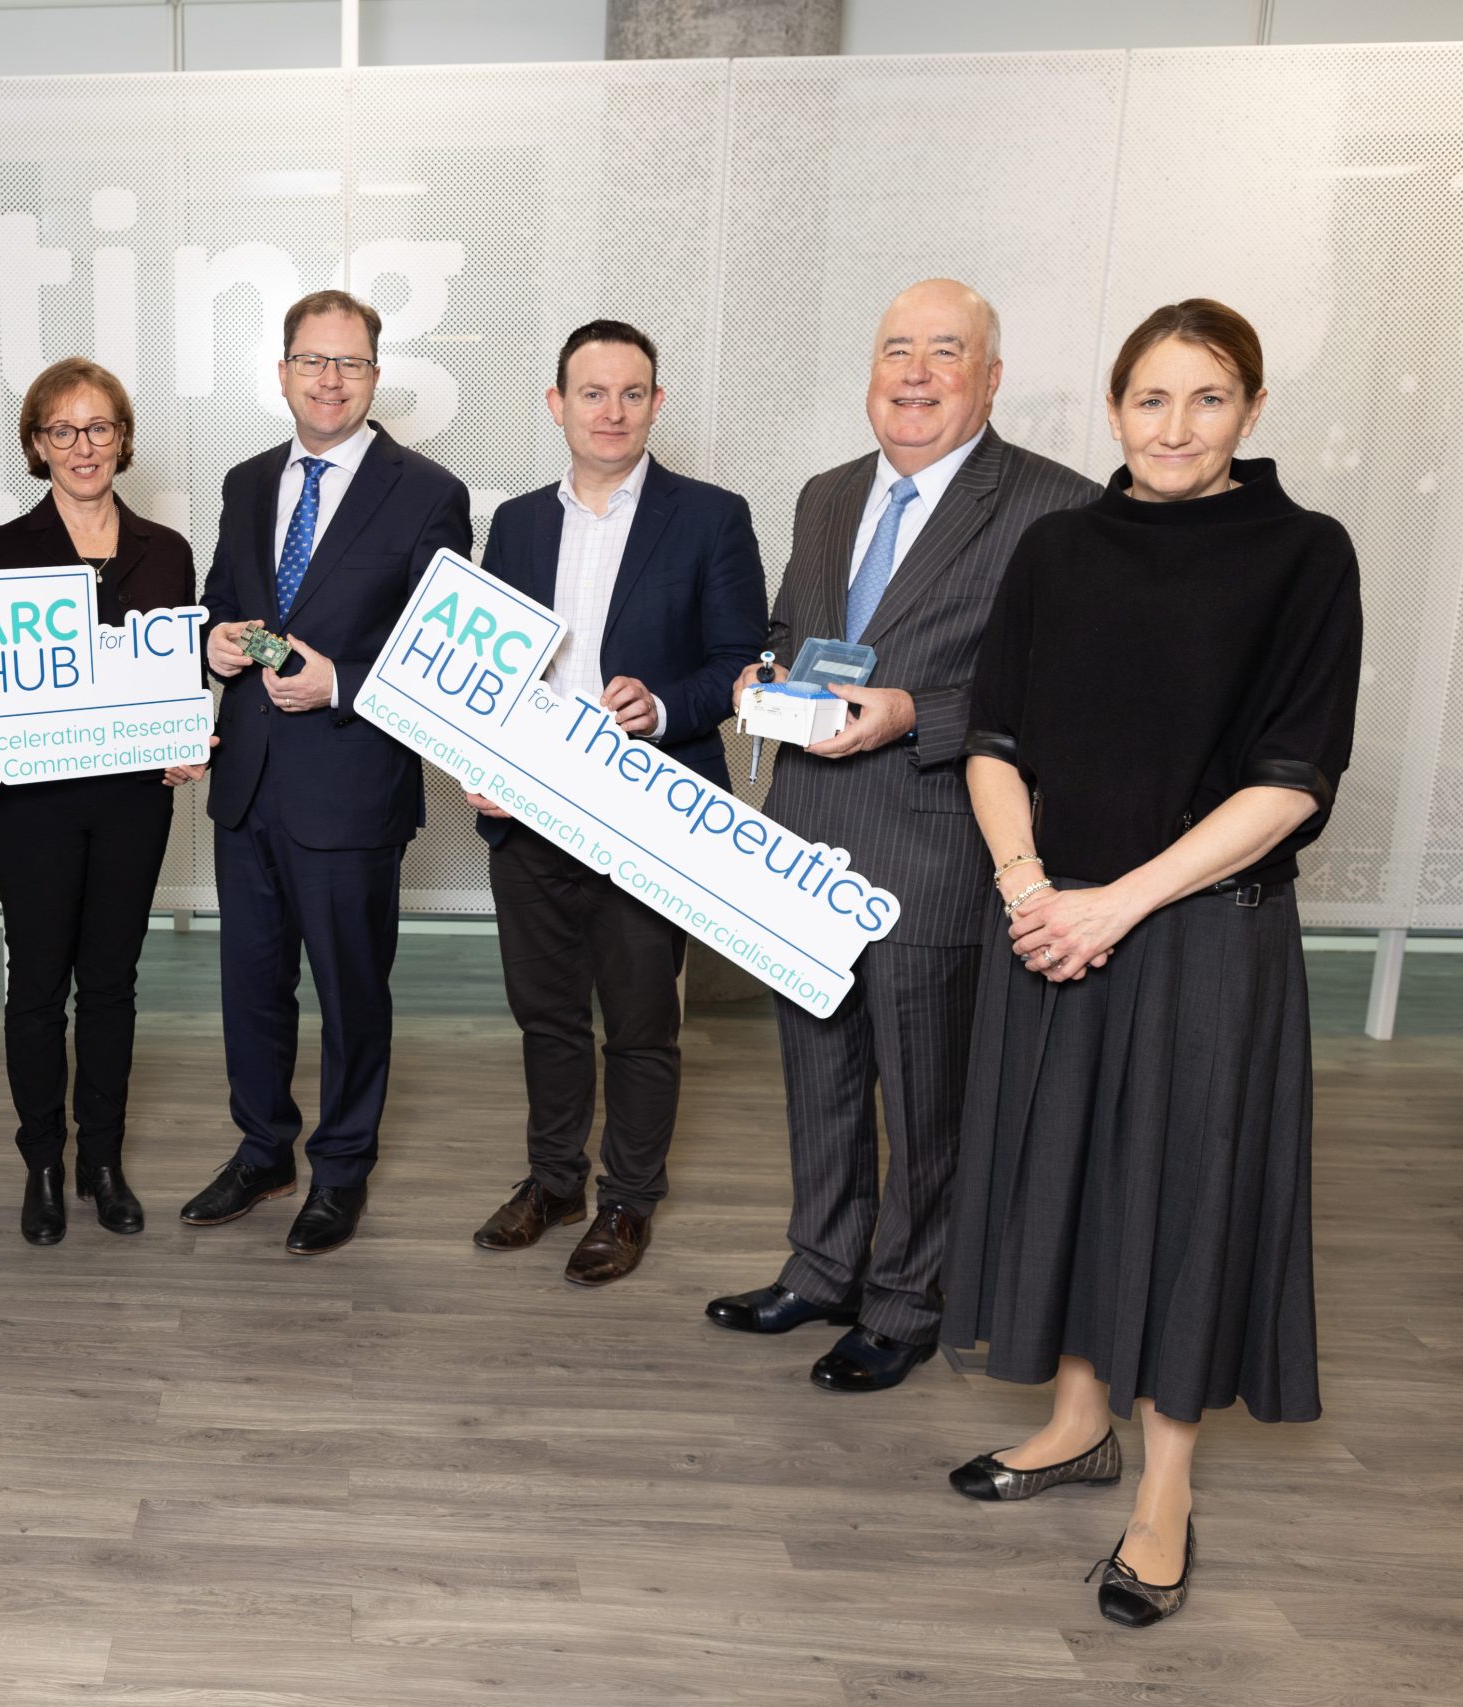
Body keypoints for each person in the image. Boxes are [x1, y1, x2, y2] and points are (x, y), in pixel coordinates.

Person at [939, 300, 1359, 1627]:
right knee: (1057, 1172)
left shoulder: (1302, 555)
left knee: (1183, 1201)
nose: (1176, 427)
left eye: (1209, 397)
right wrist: (1027, 885)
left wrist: (1115, 900)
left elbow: (1292, 780)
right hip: (1049, 924)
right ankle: (1076, 1418)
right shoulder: (1057, 547)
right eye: (1151, 399)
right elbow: (994, 735)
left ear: (1252, 406)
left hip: (1199, 932)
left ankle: (1163, 1490)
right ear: (1113, 409)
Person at [703, 280, 1098, 1393]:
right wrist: (760, 675)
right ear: (870, 371)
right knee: (817, 1070)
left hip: (936, 839)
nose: (914, 374)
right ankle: (823, 1266)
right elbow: (794, 628)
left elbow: (1059, 693)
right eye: (895, 351)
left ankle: (905, 1300)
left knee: (924, 1094)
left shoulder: (1051, 507)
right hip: (808, 835)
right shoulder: (827, 495)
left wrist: (918, 713)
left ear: (990, 377)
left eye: (943, 352)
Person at [462, 321, 764, 1285]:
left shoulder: (712, 516)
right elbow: (484, 670)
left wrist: (666, 703)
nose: (612, 411)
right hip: (532, 812)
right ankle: (554, 1181)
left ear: (657, 404)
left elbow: (741, 666)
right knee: (545, 1014)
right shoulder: (513, 523)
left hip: (649, 808)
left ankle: (627, 1200)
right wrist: (480, 759)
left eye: (632, 392)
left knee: (639, 1021)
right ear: (556, 405)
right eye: (592, 393)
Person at [186, 289, 473, 1256]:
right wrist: (215, 643)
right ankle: (263, 1147)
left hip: (351, 787)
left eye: (349, 364)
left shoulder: (428, 493)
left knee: (352, 993)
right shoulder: (245, 481)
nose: (330, 380)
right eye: (312, 361)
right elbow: (225, 599)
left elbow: (439, 653)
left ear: (376, 377)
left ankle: (340, 1169)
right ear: (281, 373)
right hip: (250, 782)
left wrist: (342, 683)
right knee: (252, 987)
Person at [0, 359, 201, 1244]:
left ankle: (103, 1162)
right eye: (62, 430)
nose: (83, 447)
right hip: (33, 805)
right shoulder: (2, 550)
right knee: (39, 987)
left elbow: (182, 677)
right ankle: (43, 1163)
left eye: (99, 428)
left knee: (113, 985)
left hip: (133, 800)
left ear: (123, 439)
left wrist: (191, 738)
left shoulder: (167, 551)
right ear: (36, 445)